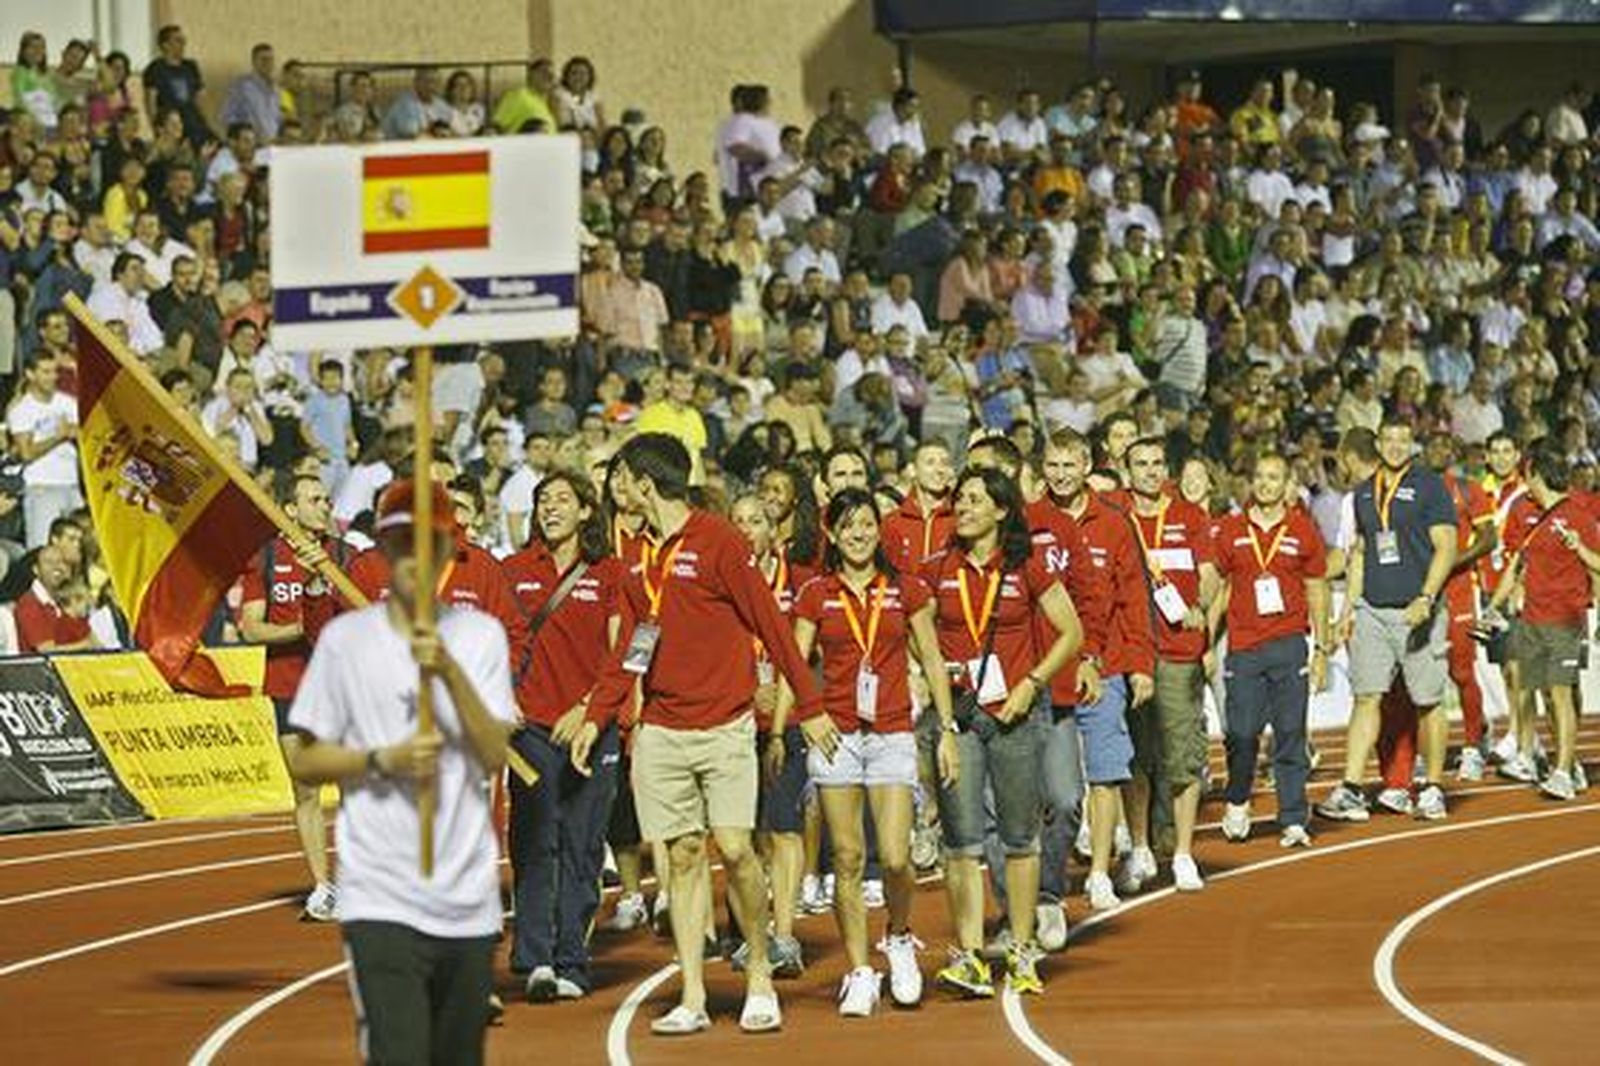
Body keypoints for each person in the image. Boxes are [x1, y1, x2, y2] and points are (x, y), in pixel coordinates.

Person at [569, 433, 834, 1036]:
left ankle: (760, 969)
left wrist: (810, 706)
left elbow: (770, 620)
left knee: (737, 849)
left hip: (725, 725)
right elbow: (629, 650)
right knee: (683, 858)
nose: (618, 489)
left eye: (623, 479)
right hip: (662, 728)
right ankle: (691, 993)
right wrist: (596, 715)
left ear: (644, 483)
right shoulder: (634, 553)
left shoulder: (719, 541)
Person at [284, 479, 520, 1066]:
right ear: (383, 553)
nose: (415, 558)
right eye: (400, 544)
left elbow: (494, 752)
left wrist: (448, 671)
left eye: (428, 544)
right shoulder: (346, 641)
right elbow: (306, 759)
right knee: (399, 1054)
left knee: (457, 1056)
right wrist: (378, 760)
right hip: (379, 893)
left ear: (447, 553)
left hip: (465, 896)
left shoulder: (479, 636)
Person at [784, 487, 957, 1015]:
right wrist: (793, 724)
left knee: (898, 855)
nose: (859, 534)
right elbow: (796, 660)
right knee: (849, 857)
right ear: (832, 533)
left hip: (892, 732)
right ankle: (859, 970)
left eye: (867, 524)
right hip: (836, 734)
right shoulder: (816, 592)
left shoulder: (905, 588)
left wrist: (947, 729)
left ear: (878, 530)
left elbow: (930, 656)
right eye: (849, 525)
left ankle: (899, 938)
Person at [923, 466, 1082, 998]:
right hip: (961, 719)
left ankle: (1019, 947)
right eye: (959, 500)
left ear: (1001, 510)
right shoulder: (936, 568)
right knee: (962, 841)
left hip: (1015, 718)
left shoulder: (1027, 565)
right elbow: (915, 637)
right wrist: (937, 701)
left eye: (973, 500)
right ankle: (969, 956)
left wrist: (1032, 684)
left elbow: (1071, 633)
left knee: (1018, 837)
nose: (961, 507)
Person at [501, 472, 624, 1001]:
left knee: (584, 844)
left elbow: (628, 650)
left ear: (586, 512)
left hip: (593, 728)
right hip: (530, 727)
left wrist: (590, 710)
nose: (550, 508)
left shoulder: (611, 573)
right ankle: (535, 958)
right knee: (535, 842)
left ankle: (573, 957)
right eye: (542, 500)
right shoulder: (511, 571)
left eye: (561, 500)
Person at [1319, 416, 1459, 823]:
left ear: (1411, 443)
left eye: (1403, 439)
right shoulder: (1363, 494)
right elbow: (1360, 554)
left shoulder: (1430, 485)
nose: (1395, 446)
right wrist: (1348, 611)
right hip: (1374, 612)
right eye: (1389, 439)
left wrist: (1427, 597)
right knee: (1366, 696)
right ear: (1378, 444)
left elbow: (1446, 547)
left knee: (1427, 701)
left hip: (1419, 611)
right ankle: (1349, 787)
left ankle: (1432, 788)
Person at [1038, 428, 1152, 909]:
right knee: (1052, 787)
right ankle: (1051, 876)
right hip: (1044, 673)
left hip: (1104, 669)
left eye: (1070, 465)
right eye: (1053, 465)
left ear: (1088, 466)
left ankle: (1101, 871)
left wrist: (1141, 664)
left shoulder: (1113, 522)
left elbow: (1132, 598)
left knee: (1106, 773)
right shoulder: (1028, 521)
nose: (1061, 475)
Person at [237, 475, 346, 921]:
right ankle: (323, 886)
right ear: (289, 508)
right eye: (313, 500)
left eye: (326, 499)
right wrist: (303, 629)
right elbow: (250, 627)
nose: (324, 506)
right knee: (306, 791)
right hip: (290, 684)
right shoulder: (266, 557)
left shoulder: (343, 554)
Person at [1213, 453, 1330, 848]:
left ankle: (1294, 816)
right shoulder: (1230, 529)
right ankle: (1239, 798)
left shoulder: (1303, 529)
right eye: (1259, 476)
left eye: (1273, 477)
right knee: (1241, 734)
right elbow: (1217, 587)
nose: (1265, 484)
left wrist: (1322, 650)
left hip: (1289, 644)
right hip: (1244, 647)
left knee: (1290, 734)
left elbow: (1317, 588)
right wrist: (1204, 638)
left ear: (1287, 485)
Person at [1120, 437, 1220, 893]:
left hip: (1178, 652)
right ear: (1127, 472)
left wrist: (1200, 603)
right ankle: (1140, 847)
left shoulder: (1189, 516)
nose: (1150, 471)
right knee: (1137, 756)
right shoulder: (1115, 516)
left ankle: (1182, 854)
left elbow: (1209, 576)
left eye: (1158, 463)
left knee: (1183, 759)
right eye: (1140, 464)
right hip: (1128, 653)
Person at [727, 491, 812, 978]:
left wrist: (780, 699)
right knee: (742, 837)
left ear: (772, 529)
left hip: (786, 721)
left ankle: (783, 935)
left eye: (755, 520)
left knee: (783, 828)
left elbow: (805, 656)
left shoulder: (798, 583)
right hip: (735, 720)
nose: (745, 529)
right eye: (736, 521)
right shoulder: (719, 583)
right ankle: (752, 934)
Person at [1494, 446, 1598, 801]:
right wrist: (1495, 606)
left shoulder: (1576, 514)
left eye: (1527, 474)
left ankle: (1565, 770)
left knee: (1561, 693)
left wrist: (1581, 551)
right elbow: (1519, 566)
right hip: (1533, 618)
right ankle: (1564, 763)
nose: (1525, 482)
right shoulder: (1536, 520)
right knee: (1547, 697)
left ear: (1537, 473)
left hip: (1564, 618)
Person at [6, 356, 81, 549]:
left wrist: (74, 433)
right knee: (43, 549)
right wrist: (59, 436)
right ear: (30, 374)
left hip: (72, 485)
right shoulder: (22, 410)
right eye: (45, 372)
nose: (53, 377)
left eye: (55, 371)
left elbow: (84, 432)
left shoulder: (68, 403)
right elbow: (26, 453)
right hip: (42, 488)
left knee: (78, 549)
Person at [881, 439, 955, 573]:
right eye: (930, 462)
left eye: (945, 463)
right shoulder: (892, 522)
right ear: (912, 470)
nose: (939, 470)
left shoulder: (960, 519)